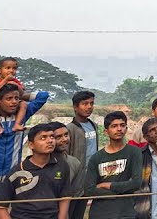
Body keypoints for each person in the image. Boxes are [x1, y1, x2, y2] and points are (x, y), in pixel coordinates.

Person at [0, 83, 51, 219]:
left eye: (16, 98)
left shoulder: (22, 116)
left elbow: (43, 96)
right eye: (9, 98)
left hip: (8, 182)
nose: (13, 102)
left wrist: (21, 95)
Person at [0, 124, 70, 219]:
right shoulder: (17, 171)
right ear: (31, 145)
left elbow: (65, 198)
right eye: (43, 138)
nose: (50, 141)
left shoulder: (62, 166)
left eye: (52, 137)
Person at [85, 112, 143, 219]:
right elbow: (89, 190)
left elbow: (136, 183)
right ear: (106, 132)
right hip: (99, 213)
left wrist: (108, 185)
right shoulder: (96, 158)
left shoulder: (134, 152)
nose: (119, 129)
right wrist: (121, 190)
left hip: (125, 213)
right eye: (114, 126)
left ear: (126, 128)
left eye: (122, 125)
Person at [66, 91, 98, 219]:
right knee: (69, 210)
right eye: (85, 104)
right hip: (74, 179)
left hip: (89, 177)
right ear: (75, 107)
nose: (89, 107)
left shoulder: (93, 126)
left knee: (80, 211)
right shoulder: (70, 129)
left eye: (91, 103)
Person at [0, 59, 34, 134]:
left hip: (10, 105)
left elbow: (22, 94)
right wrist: (5, 80)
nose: (11, 71)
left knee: (23, 103)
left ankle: (17, 124)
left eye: (14, 68)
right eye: (8, 68)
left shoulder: (15, 81)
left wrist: (16, 85)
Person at [49, 123, 84, 219]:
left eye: (66, 135)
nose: (65, 139)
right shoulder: (40, 163)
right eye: (58, 137)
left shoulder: (74, 163)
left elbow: (77, 197)